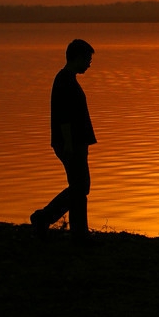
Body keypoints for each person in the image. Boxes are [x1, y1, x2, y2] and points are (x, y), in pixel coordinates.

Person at [31, 39, 97, 237]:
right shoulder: (65, 81)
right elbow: (64, 116)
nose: (89, 63)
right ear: (78, 57)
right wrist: (68, 143)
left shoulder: (67, 79)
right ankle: (44, 217)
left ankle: (78, 231)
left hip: (76, 141)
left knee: (79, 185)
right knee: (80, 185)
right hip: (71, 142)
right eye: (87, 59)